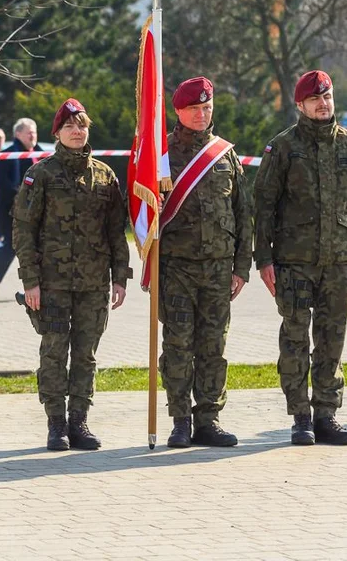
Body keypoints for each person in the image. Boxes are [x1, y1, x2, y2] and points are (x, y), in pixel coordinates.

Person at [254, 70, 347, 446]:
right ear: (301, 105)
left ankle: (327, 414)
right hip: (294, 262)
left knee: (331, 340)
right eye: (315, 99)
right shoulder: (284, 147)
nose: (323, 104)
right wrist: (264, 260)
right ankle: (301, 416)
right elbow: (264, 205)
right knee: (294, 339)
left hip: (340, 261)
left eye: (327, 97)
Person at [12, 99, 131, 450]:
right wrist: (30, 281)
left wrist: (120, 277)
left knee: (85, 355)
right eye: (69, 127)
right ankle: (56, 424)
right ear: (57, 133)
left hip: (94, 283)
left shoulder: (105, 175)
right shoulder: (41, 174)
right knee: (53, 352)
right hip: (52, 283)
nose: (77, 132)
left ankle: (79, 422)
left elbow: (115, 232)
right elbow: (23, 229)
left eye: (82, 126)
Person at [157, 77, 251, 448]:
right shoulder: (161, 156)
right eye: (194, 108)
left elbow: (244, 214)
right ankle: (180, 419)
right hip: (176, 269)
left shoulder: (224, 154)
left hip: (218, 269)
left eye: (206, 107)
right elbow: (144, 217)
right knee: (178, 345)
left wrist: (241, 267)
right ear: (178, 111)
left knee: (213, 346)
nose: (201, 114)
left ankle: (208, 418)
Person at [0, 118, 41, 297]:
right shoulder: (7, 156)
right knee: (11, 247)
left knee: (42, 247)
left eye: (34, 132)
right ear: (18, 134)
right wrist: (25, 200)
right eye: (29, 132)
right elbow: (4, 186)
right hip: (13, 212)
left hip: (41, 212)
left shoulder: (42, 154)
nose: (33, 135)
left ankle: (36, 288)